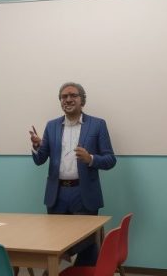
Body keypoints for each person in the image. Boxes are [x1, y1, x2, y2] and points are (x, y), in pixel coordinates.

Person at [30, 82, 116, 266]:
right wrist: (37, 146)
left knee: (87, 246)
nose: (68, 99)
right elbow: (40, 160)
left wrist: (91, 158)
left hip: (83, 194)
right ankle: (53, 271)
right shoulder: (51, 126)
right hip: (57, 194)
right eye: (64, 96)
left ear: (82, 100)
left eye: (73, 95)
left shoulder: (97, 125)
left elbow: (110, 160)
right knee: (55, 244)